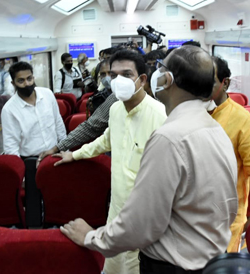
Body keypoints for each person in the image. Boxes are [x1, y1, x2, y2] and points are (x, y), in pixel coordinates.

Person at [60, 45, 238, 273]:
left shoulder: (168, 135)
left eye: (161, 68)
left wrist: (91, 238)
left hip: (171, 263)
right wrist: (73, 154)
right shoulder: (215, 129)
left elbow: (142, 224)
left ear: (167, 79)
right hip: (206, 255)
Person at [53, 49, 167, 274]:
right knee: (113, 265)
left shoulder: (160, 116)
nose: (118, 81)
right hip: (116, 208)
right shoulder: (115, 109)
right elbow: (106, 140)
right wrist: (74, 154)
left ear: (142, 80)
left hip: (144, 215)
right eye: (114, 76)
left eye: (126, 74)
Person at [209, 56, 250, 252]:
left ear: (225, 83)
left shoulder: (244, 121)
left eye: (209, 81)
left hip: (226, 217)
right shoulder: (191, 113)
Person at [38, 59, 116, 162]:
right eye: (103, 74)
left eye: (111, 74)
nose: (107, 77)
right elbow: (91, 127)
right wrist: (59, 148)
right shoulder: (114, 97)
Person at [1, 61, 66, 158]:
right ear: (13, 83)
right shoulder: (9, 109)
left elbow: (58, 123)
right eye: (21, 81)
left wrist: (65, 149)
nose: (27, 84)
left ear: (33, 78)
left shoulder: (47, 94)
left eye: (29, 79)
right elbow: (11, 146)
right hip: (31, 160)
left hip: (54, 154)